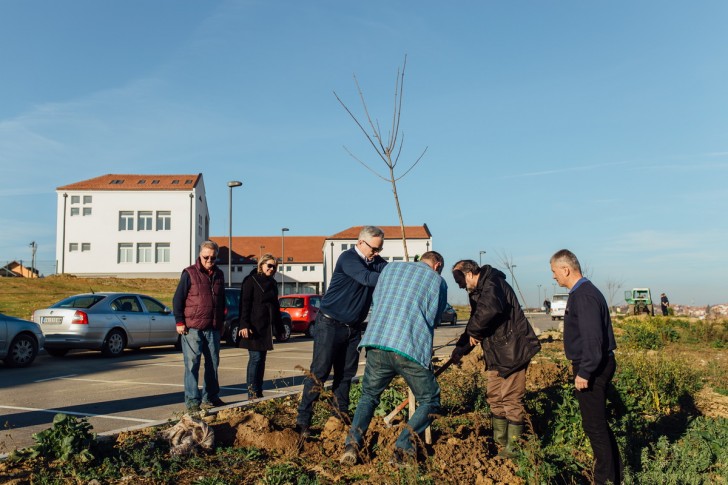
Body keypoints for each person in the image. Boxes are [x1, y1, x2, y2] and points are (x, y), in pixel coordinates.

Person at [339, 251, 447, 466]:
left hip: (377, 341)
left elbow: (377, 300)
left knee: (368, 396)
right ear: (437, 265)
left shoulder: (390, 269)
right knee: (429, 399)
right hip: (409, 348)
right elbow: (435, 319)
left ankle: (351, 446)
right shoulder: (437, 281)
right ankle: (402, 450)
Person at [295, 226, 387, 438]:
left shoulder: (375, 262)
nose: (377, 253)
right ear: (361, 243)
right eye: (374, 249)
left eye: (380, 249)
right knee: (319, 373)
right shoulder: (348, 259)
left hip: (353, 328)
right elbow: (366, 278)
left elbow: (388, 270)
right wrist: (389, 276)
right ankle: (303, 422)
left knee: (346, 375)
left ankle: (340, 418)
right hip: (329, 324)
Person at [450, 259, 541, 458]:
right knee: (494, 396)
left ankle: (514, 448)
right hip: (497, 352)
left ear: (470, 274)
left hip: (512, 350)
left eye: (461, 281)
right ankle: (500, 441)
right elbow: (477, 319)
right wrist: (461, 348)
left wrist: (474, 332)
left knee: (510, 398)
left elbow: (490, 310)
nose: (460, 286)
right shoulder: (478, 292)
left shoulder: (493, 284)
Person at [550, 249, 621, 484]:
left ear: (566, 269)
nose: (554, 277)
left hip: (592, 366)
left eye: (554, 271)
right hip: (593, 364)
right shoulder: (583, 292)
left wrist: (585, 371)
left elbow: (593, 339)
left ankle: (604, 479)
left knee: (594, 426)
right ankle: (613, 475)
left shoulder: (584, 295)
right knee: (598, 423)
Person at [173, 240, 226, 412]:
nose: (209, 260)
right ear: (200, 256)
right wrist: (179, 321)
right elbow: (178, 299)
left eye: (213, 257)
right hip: (192, 328)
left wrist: (221, 322)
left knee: (213, 363)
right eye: (206, 257)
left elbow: (222, 300)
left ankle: (210, 397)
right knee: (192, 364)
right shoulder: (189, 273)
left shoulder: (219, 274)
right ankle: (192, 401)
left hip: (213, 328)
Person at [238, 253, 284, 400]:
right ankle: (252, 392)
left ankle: (258, 391)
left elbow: (276, 307)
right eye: (269, 265)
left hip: (265, 328)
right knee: (255, 358)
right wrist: (244, 324)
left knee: (261, 359)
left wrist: (280, 329)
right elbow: (244, 304)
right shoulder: (250, 280)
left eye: (274, 267)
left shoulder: (273, 283)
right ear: (261, 265)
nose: (271, 269)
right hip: (253, 327)